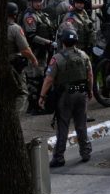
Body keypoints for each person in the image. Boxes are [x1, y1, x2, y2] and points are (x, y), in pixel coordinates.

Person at [39, 28, 93, 167]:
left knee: (63, 126)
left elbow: (49, 79)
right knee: (81, 125)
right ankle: (85, 152)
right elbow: (90, 75)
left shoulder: (57, 58)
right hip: (81, 94)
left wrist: (42, 96)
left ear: (62, 41)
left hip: (65, 96)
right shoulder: (83, 56)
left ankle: (59, 157)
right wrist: (90, 91)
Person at [7, 3, 38, 115]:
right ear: (15, 14)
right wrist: (34, 59)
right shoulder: (15, 29)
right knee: (22, 93)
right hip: (13, 66)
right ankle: (14, 120)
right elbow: (25, 49)